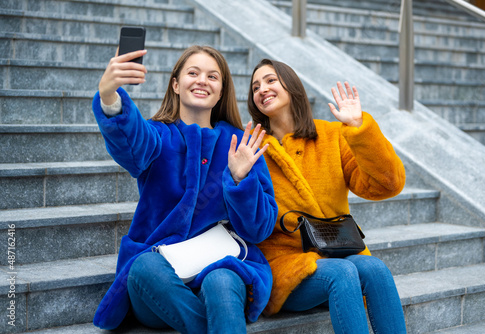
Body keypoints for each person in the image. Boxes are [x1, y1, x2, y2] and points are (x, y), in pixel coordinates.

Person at [91, 45, 278, 334]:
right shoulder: (156, 135)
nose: (202, 80)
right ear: (176, 84)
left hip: (219, 267)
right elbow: (132, 142)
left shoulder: (241, 143)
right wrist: (109, 96)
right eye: (193, 73)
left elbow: (259, 229)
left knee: (223, 280)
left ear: (220, 91)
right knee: (143, 267)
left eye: (212, 77)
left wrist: (241, 180)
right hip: (161, 282)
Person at [247, 58, 407, 334]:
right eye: (255, 86)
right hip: (284, 266)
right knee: (342, 273)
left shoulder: (330, 136)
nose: (262, 89)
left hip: (336, 249)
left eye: (271, 80)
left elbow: (386, 185)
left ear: (291, 86)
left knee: (375, 268)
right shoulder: (252, 147)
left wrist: (359, 129)